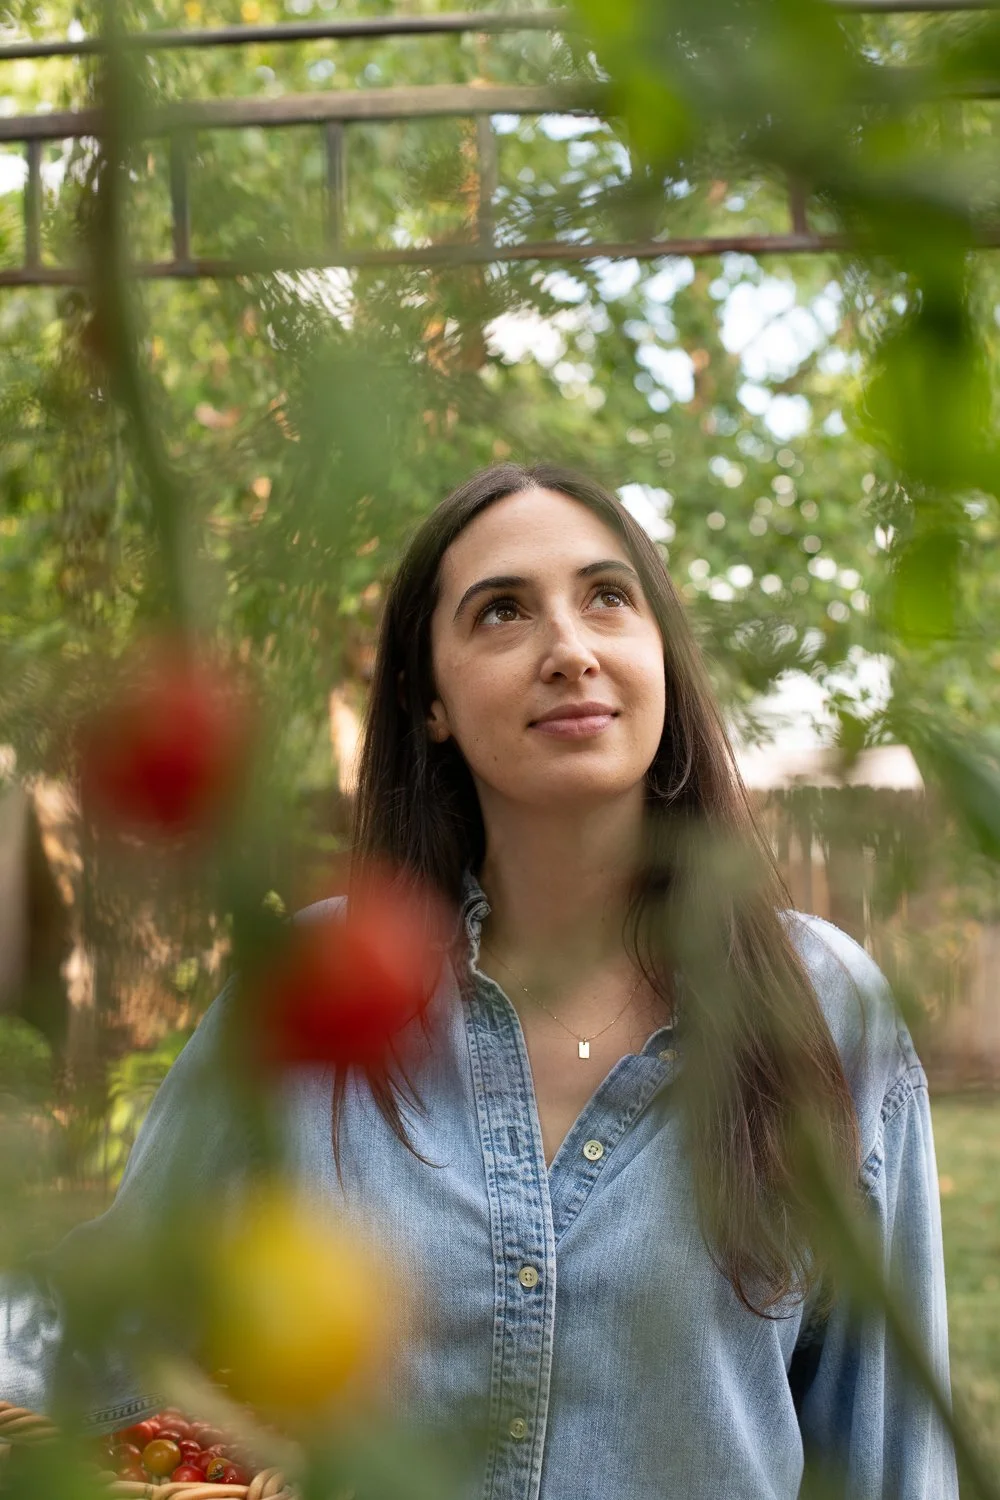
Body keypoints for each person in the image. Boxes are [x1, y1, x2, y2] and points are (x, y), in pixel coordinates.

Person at [2, 462, 956, 1499]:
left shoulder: (821, 1005)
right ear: (431, 704)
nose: (570, 650)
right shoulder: (320, 989)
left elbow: (888, 1447)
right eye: (501, 612)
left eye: (607, 598)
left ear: (663, 659)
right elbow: (102, 1308)